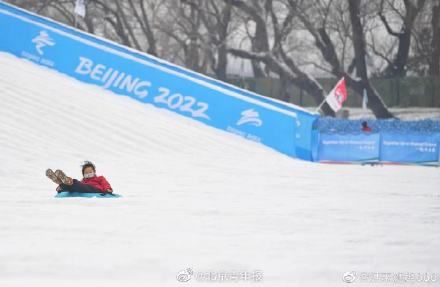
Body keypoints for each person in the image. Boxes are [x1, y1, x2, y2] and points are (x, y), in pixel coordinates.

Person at [45, 161, 113, 193]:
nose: (88, 174)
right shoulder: (83, 181)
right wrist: (61, 189)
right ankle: (60, 183)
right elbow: (77, 186)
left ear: (94, 171)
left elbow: (105, 184)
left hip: (95, 189)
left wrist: (108, 189)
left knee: (77, 184)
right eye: (86, 173)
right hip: (83, 187)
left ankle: (66, 181)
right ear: (83, 174)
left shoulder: (100, 178)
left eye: (90, 172)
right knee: (72, 187)